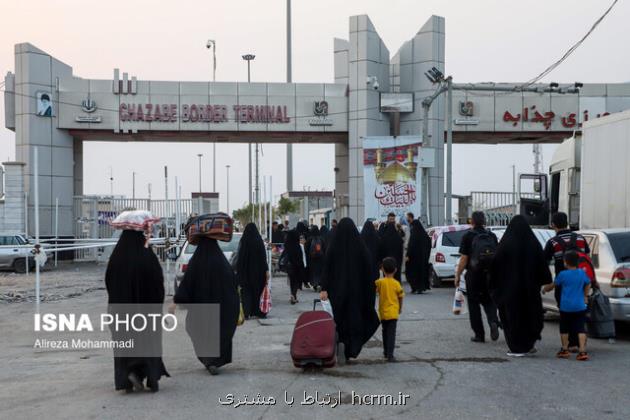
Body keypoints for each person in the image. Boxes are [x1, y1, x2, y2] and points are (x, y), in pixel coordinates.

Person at [105, 230, 169, 392]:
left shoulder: (117, 257)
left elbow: (109, 282)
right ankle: (152, 378)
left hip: (121, 312)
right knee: (149, 342)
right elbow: (158, 281)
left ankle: (128, 377)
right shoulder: (148, 256)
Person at [173, 237, 240, 375]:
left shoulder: (196, 261)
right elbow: (233, 283)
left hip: (200, 309)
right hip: (222, 308)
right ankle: (214, 360)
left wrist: (178, 300)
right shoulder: (222, 262)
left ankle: (209, 360)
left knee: (198, 329)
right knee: (221, 330)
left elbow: (187, 282)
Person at [319, 218, 380, 363]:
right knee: (355, 319)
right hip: (357, 293)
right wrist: (370, 289)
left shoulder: (333, 247)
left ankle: (341, 344)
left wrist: (324, 288)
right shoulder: (361, 248)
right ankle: (350, 349)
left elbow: (326, 269)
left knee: (339, 319)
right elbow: (368, 271)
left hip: (337, 293)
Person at [490, 215, 552, 356]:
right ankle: (528, 345)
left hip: (509, 292)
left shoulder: (504, 245)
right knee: (531, 315)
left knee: (512, 318)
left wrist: (495, 287)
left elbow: (494, 268)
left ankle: (516, 347)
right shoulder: (533, 244)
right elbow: (542, 265)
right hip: (530, 291)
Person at [543, 212, 590, 351]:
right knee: (579, 313)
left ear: (553, 225)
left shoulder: (553, 242)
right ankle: (578, 342)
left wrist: (545, 283)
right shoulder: (581, 238)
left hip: (562, 284)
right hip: (581, 282)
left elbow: (544, 262)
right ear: (567, 222)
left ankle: (570, 343)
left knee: (566, 314)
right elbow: (587, 259)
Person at [455, 211, 500, 343]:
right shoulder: (491, 236)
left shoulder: (468, 236)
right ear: (484, 221)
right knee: (489, 300)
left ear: (472, 221)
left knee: (474, 304)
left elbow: (464, 258)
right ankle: (493, 321)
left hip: (473, 275)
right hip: (489, 274)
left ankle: (479, 335)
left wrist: (458, 275)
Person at [542, 250, 591, 361]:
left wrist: (545, 289)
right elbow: (588, 283)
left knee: (564, 328)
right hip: (580, 306)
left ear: (565, 262)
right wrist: (585, 296)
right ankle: (582, 351)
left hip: (566, 307)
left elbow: (553, 285)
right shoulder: (582, 273)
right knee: (580, 328)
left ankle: (565, 350)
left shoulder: (563, 274)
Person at [235, 223, 270, 319]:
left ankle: (246, 313)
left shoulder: (244, 241)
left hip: (245, 273)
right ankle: (259, 312)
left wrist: (239, 272)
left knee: (246, 292)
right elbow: (263, 257)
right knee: (258, 292)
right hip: (259, 272)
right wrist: (266, 270)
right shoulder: (259, 241)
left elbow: (240, 258)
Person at [375, 257, 405, 362]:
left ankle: (385, 351)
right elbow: (401, 297)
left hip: (383, 312)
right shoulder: (396, 284)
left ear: (382, 269)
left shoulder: (379, 282)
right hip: (393, 313)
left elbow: (374, 291)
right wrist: (400, 308)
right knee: (391, 333)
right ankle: (390, 355)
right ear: (396, 270)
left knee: (384, 332)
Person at [406, 219, 432, 294]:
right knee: (421, 273)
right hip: (422, 260)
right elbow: (428, 245)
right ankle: (420, 287)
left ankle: (414, 287)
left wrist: (408, 255)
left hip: (413, 260)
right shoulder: (424, 235)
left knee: (412, 273)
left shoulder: (414, 235)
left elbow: (411, 246)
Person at [283, 229, 306, 304]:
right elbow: (300, 257)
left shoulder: (287, 245)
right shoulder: (297, 246)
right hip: (297, 266)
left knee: (292, 281)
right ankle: (294, 295)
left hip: (289, 266)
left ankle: (292, 295)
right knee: (296, 281)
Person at [305, 225, 325, 289]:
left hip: (312, 259)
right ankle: (320, 283)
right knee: (319, 271)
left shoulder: (309, 239)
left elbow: (306, 249)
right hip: (320, 259)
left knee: (313, 272)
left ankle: (314, 284)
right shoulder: (321, 238)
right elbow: (324, 248)